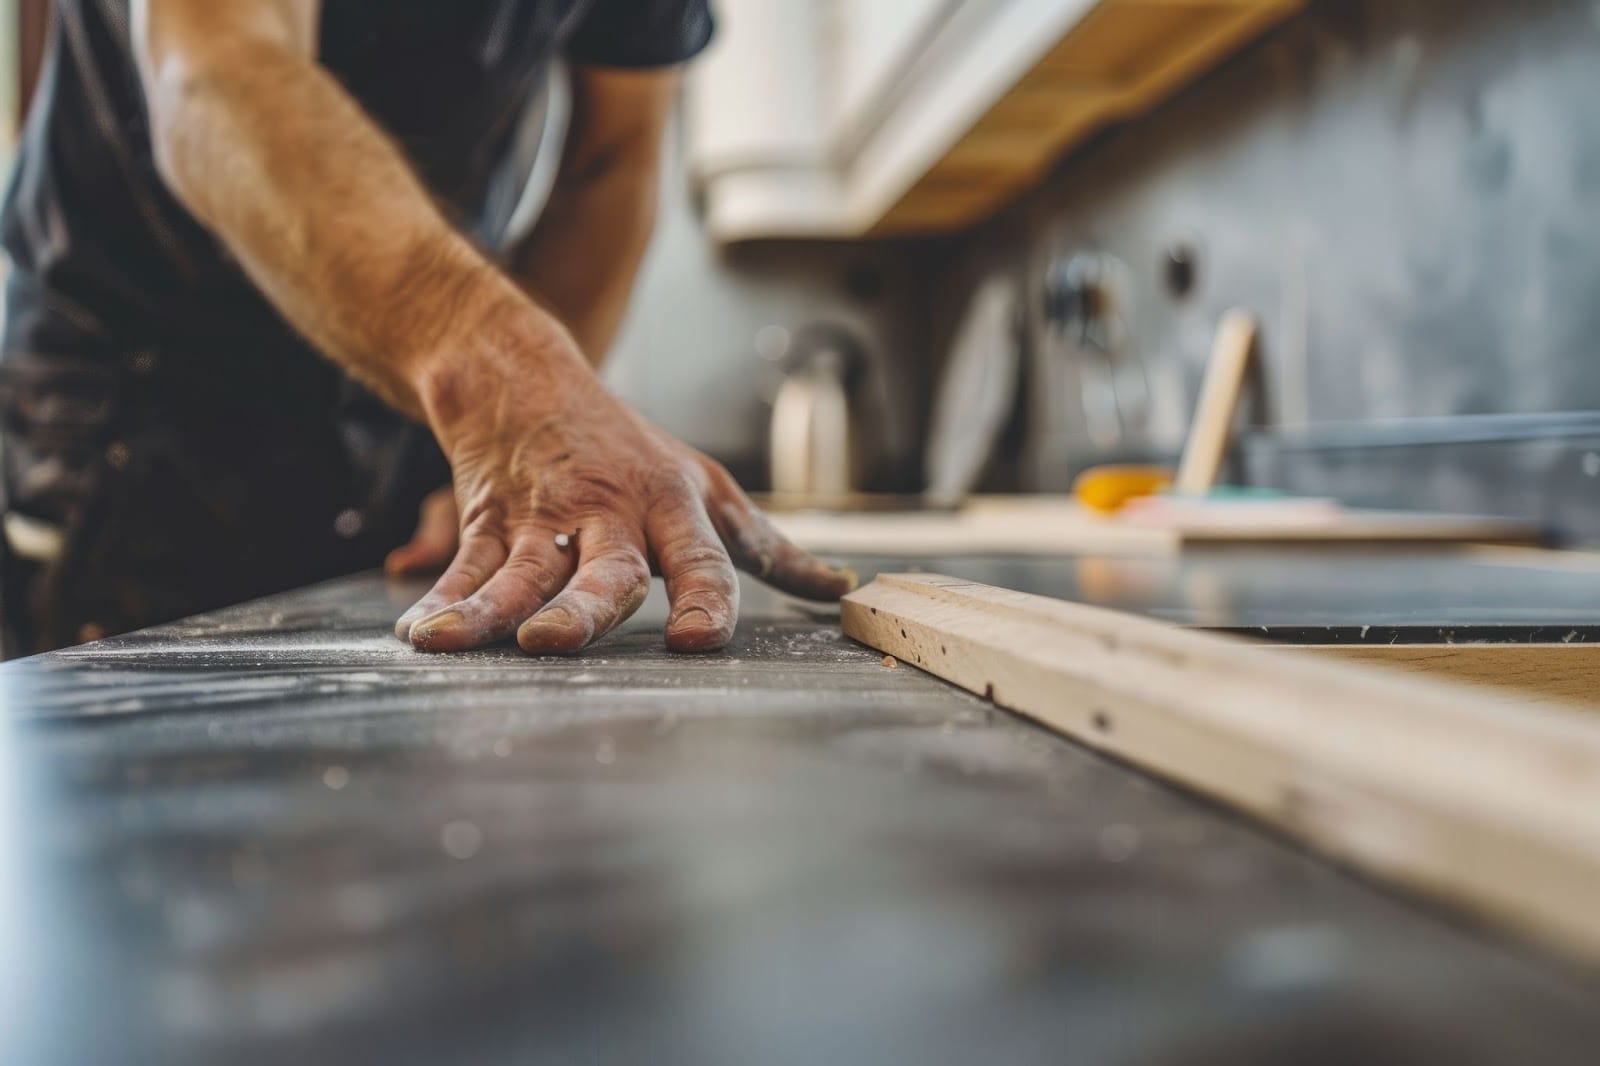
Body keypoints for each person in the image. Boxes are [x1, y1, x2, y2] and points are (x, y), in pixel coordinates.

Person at [0, 0, 855, 658]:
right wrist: (507, 388)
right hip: (137, 395)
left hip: (402, 404)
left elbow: (612, 158)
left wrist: (512, 446)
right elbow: (216, 72)